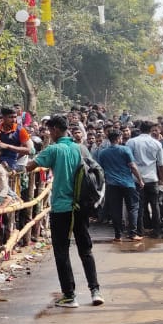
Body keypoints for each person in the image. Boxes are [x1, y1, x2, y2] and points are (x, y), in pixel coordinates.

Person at [27, 115, 104, 308]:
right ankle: (95, 291)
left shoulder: (53, 149)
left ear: (53, 130)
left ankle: (69, 296)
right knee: (85, 250)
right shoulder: (81, 148)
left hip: (62, 207)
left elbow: (30, 166)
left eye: (48, 130)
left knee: (62, 252)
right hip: (82, 205)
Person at [97, 130, 144, 241]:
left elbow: (101, 168)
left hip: (112, 184)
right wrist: (140, 180)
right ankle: (132, 234)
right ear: (118, 138)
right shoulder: (125, 150)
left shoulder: (103, 153)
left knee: (115, 209)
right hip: (127, 183)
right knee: (133, 207)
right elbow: (132, 166)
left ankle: (118, 235)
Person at [128, 122, 163, 237]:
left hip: (136, 179)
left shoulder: (131, 142)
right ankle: (157, 230)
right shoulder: (157, 143)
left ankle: (140, 230)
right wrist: (162, 180)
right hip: (152, 178)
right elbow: (161, 164)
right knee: (155, 205)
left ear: (139, 129)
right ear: (150, 130)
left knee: (139, 205)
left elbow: (129, 161)